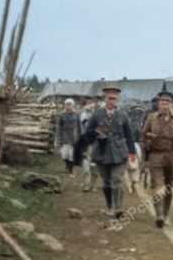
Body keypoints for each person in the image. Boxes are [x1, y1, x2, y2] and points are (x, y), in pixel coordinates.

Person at [81, 86, 136, 218]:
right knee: (106, 182)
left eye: (114, 99)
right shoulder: (97, 114)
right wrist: (97, 135)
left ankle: (118, 208)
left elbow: (129, 135)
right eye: (110, 98)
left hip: (119, 152)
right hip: (102, 152)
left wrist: (132, 152)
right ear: (105, 98)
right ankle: (110, 206)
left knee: (116, 180)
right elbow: (88, 133)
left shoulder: (123, 115)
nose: (112, 101)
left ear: (118, 99)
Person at [140, 90, 173, 228]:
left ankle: (165, 214)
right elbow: (143, 136)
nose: (164, 105)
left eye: (167, 103)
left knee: (168, 187)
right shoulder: (151, 118)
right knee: (158, 186)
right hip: (156, 155)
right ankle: (159, 215)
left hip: (172, 156)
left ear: (171, 105)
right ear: (158, 104)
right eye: (162, 102)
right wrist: (145, 153)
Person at [54, 98, 81, 176]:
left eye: (70, 105)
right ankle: (67, 165)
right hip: (65, 136)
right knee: (65, 154)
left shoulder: (76, 115)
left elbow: (79, 126)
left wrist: (80, 136)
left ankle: (71, 169)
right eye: (67, 105)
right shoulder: (62, 115)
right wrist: (58, 136)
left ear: (73, 105)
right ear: (65, 105)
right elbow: (59, 127)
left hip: (73, 136)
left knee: (72, 154)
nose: (69, 106)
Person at [78, 99, 97, 191]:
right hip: (85, 143)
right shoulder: (82, 116)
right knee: (86, 166)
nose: (90, 106)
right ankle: (86, 185)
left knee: (94, 167)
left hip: (95, 144)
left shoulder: (97, 116)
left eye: (92, 105)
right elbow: (80, 129)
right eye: (89, 105)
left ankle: (93, 185)